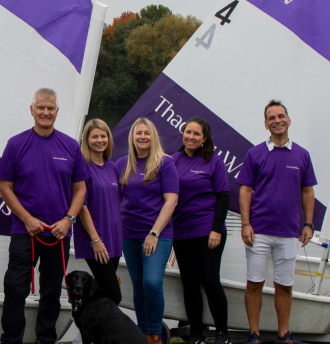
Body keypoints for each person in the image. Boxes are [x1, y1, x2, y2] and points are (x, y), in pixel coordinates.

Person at [0, 88, 90, 344]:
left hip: (59, 233)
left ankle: (46, 339)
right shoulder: (16, 144)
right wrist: (27, 219)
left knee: (51, 292)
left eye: (50, 108)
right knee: (15, 289)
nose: (45, 112)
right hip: (24, 232)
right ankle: (11, 340)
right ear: (32, 110)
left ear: (57, 111)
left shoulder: (70, 146)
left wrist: (68, 220)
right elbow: (5, 187)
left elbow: (81, 190)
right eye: (41, 107)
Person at [237, 100, 317, 344]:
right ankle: (254, 335)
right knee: (254, 283)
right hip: (258, 231)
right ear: (266, 124)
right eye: (271, 118)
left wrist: (308, 224)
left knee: (284, 285)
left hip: (289, 232)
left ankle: (284, 335)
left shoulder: (302, 155)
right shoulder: (254, 153)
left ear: (289, 120)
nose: (277, 121)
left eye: (281, 116)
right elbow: (245, 190)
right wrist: (245, 224)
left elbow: (307, 191)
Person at [117, 117, 179, 344]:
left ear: (153, 136)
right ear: (132, 137)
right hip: (129, 234)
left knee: (152, 283)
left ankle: (155, 335)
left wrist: (153, 233)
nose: (142, 137)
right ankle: (143, 335)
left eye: (146, 133)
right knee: (138, 286)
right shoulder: (122, 164)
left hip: (157, 235)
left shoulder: (165, 163)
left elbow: (171, 201)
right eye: (138, 133)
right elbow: (116, 200)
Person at [171, 117, 231, 344]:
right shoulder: (173, 160)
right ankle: (196, 333)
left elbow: (223, 197)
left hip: (208, 231)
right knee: (189, 284)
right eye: (188, 132)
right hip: (181, 232)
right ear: (183, 134)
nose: (191, 137)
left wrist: (216, 230)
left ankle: (222, 334)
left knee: (210, 281)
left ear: (204, 138)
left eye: (197, 133)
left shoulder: (214, 161)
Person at [74, 119, 122, 305]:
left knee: (102, 293)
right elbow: (82, 206)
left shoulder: (113, 167)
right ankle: (85, 317)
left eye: (103, 136)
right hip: (95, 239)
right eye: (94, 136)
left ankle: (86, 322)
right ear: (86, 140)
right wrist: (95, 240)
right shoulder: (82, 168)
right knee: (113, 296)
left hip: (114, 237)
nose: (100, 140)